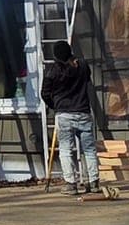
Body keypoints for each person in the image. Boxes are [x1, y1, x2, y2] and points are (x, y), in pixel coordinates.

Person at [40, 41, 100, 195]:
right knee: (89, 149)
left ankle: (71, 184)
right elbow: (87, 79)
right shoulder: (82, 66)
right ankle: (93, 182)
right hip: (84, 112)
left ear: (55, 56)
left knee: (66, 150)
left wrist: (55, 105)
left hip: (64, 113)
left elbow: (45, 93)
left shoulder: (53, 70)